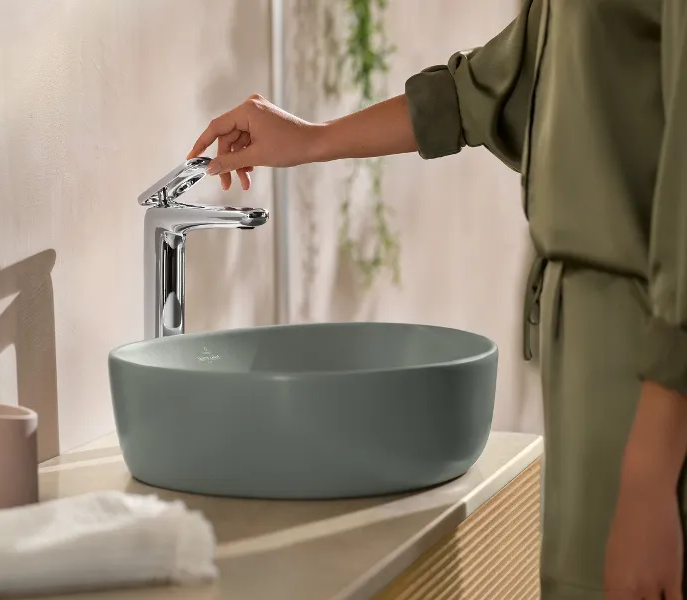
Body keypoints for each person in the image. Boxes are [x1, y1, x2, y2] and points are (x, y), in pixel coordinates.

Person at [188, 1, 687, 599]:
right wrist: (311, 139)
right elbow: (486, 90)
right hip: (591, 363)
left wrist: (652, 474)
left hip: (652, 380)